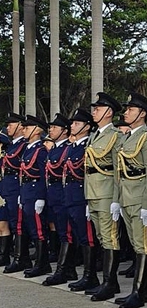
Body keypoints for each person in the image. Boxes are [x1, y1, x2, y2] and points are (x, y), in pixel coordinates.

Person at [109, 92, 147, 308]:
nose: (126, 112)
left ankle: (138, 291)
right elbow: (120, 173)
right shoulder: (128, 137)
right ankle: (143, 291)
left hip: (139, 199)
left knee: (142, 245)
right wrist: (117, 200)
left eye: (130, 109)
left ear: (142, 114)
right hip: (127, 198)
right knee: (136, 243)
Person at [78, 92, 122, 295]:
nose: (94, 112)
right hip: (93, 193)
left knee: (109, 237)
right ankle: (106, 281)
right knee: (100, 236)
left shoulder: (115, 135)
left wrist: (116, 200)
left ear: (109, 112)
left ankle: (110, 283)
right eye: (94, 108)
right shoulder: (95, 135)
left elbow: (118, 170)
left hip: (106, 193)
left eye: (98, 109)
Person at [48, 109, 97, 287]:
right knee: (69, 234)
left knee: (86, 237)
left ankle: (90, 276)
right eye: (72, 123)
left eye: (77, 123)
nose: (72, 126)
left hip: (81, 197)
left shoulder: (87, 147)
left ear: (87, 127)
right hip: (67, 196)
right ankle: (68, 270)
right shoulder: (73, 148)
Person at [33, 113, 72, 280]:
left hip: (64, 195)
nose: (51, 129)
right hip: (53, 195)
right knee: (61, 231)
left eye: (55, 127)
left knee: (67, 233)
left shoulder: (68, 148)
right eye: (51, 127)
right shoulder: (55, 149)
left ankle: (64, 270)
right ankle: (66, 270)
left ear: (64, 131)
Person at [17, 115, 50, 278]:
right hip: (26, 193)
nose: (24, 130)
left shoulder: (41, 151)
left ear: (37, 130)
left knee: (39, 230)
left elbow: (45, 176)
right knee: (31, 228)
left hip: (36, 193)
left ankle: (42, 264)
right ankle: (39, 262)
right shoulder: (28, 149)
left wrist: (42, 197)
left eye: (28, 128)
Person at [1, 113, 28, 273]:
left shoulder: (23, 146)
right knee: (12, 222)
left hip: (17, 188)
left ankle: (20, 258)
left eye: (11, 124)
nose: (8, 127)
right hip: (7, 187)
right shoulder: (11, 146)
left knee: (18, 224)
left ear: (19, 125)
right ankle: (16, 257)